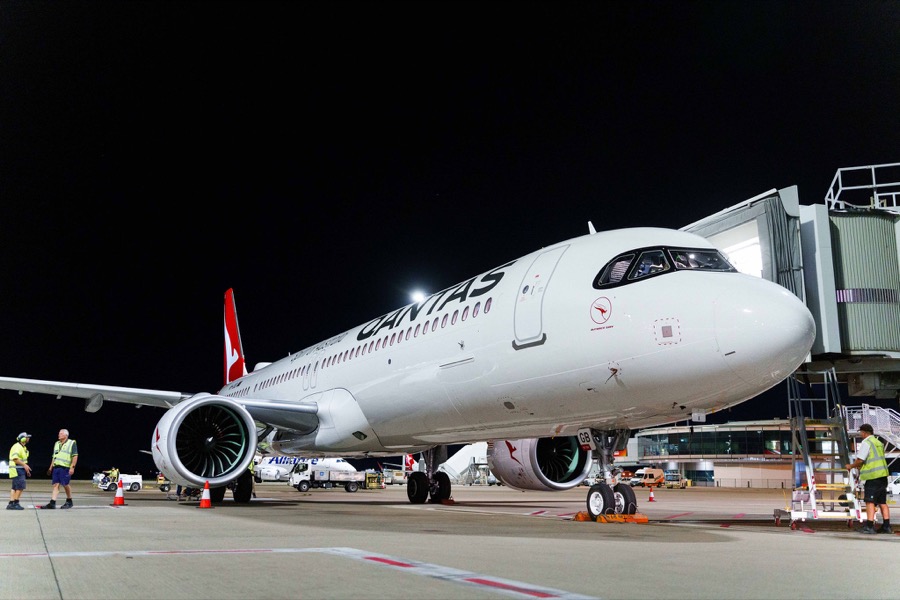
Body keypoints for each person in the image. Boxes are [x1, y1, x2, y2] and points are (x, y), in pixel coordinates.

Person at [845, 423, 892, 534]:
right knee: (882, 502)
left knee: (870, 501)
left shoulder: (866, 443)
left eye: (861, 432)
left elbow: (860, 459)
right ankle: (886, 526)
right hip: (883, 476)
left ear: (865, 432)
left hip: (873, 477)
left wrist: (851, 466)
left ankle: (869, 526)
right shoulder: (878, 442)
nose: (860, 434)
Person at [40, 428, 78, 509]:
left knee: (65, 484)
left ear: (66, 435)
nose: (58, 435)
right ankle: (52, 503)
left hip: (65, 467)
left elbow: (75, 456)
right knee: (55, 485)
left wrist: (72, 467)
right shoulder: (57, 443)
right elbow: (54, 457)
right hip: (56, 467)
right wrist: (50, 467)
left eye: (60, 433)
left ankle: (69, 501)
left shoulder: (72, 443)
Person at [7, 432, 32, 510]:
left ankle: (11, 503)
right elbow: (15, 459)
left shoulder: (23, 447)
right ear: (23, 438)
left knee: (14, 487)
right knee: (20, 486)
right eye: (27, 437)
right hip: (17, 468)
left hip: (19, 468)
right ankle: (15, 503)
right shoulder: (17, 446)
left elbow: (23, 460)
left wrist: (26, 469)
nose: (28, 438)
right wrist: (25, 466)